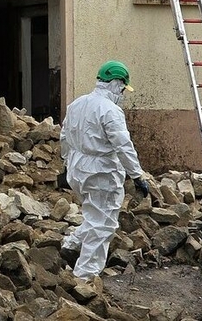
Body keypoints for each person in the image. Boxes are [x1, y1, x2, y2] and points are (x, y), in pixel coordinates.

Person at [59, 60, 150, 280]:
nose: (123, 94)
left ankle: (71, 244)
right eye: (123, 89)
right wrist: (137, 175)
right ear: (117, 84)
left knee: (94, 213)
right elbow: (123, 146)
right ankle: (85, 276)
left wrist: (65, 163)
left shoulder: (77, 104)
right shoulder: (111, 111)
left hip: (77, 168)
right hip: (101, 172)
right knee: (104, 222)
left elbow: (64, 136)